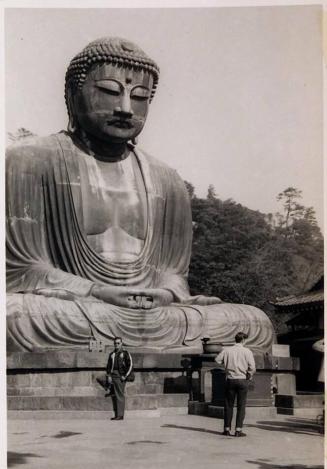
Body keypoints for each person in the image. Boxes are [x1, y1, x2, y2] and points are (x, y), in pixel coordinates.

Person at [6, 36, 274, 353]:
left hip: (152, 312)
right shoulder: (28, 160)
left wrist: (165, 293)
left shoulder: (166, 179)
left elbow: (173, 275)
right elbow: (22, 269)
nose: (124, 108)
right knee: (14, 315)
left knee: (252, 323)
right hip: (77, 305)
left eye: (140, 97)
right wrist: (97, 291)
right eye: (108, 92)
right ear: (73, 94)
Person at [215, 332, 256, 437]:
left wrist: (227, 364)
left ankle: (227, 429)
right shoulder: (247, 351)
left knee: (228, 405)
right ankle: (238, 430)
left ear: (236, 339)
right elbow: (252, 367)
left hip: (230, 379)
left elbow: (217, 360)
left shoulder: (227, 350)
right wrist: (249, 375)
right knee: (241, 406)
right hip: (242, 379)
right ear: (243, 340)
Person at [106, 337, 133, 420]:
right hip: (112, 374)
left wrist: (125, 376)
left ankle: (120, 415)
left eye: (118, 343)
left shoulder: (125, 353)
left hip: (120, 375)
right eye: (115, 343)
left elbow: (130, 365)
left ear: (121, 344)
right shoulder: (112, 354)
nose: (116, 345)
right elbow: (108, 366)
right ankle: (112, 389)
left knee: (119, 395)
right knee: (99, 378)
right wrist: (109, 376)